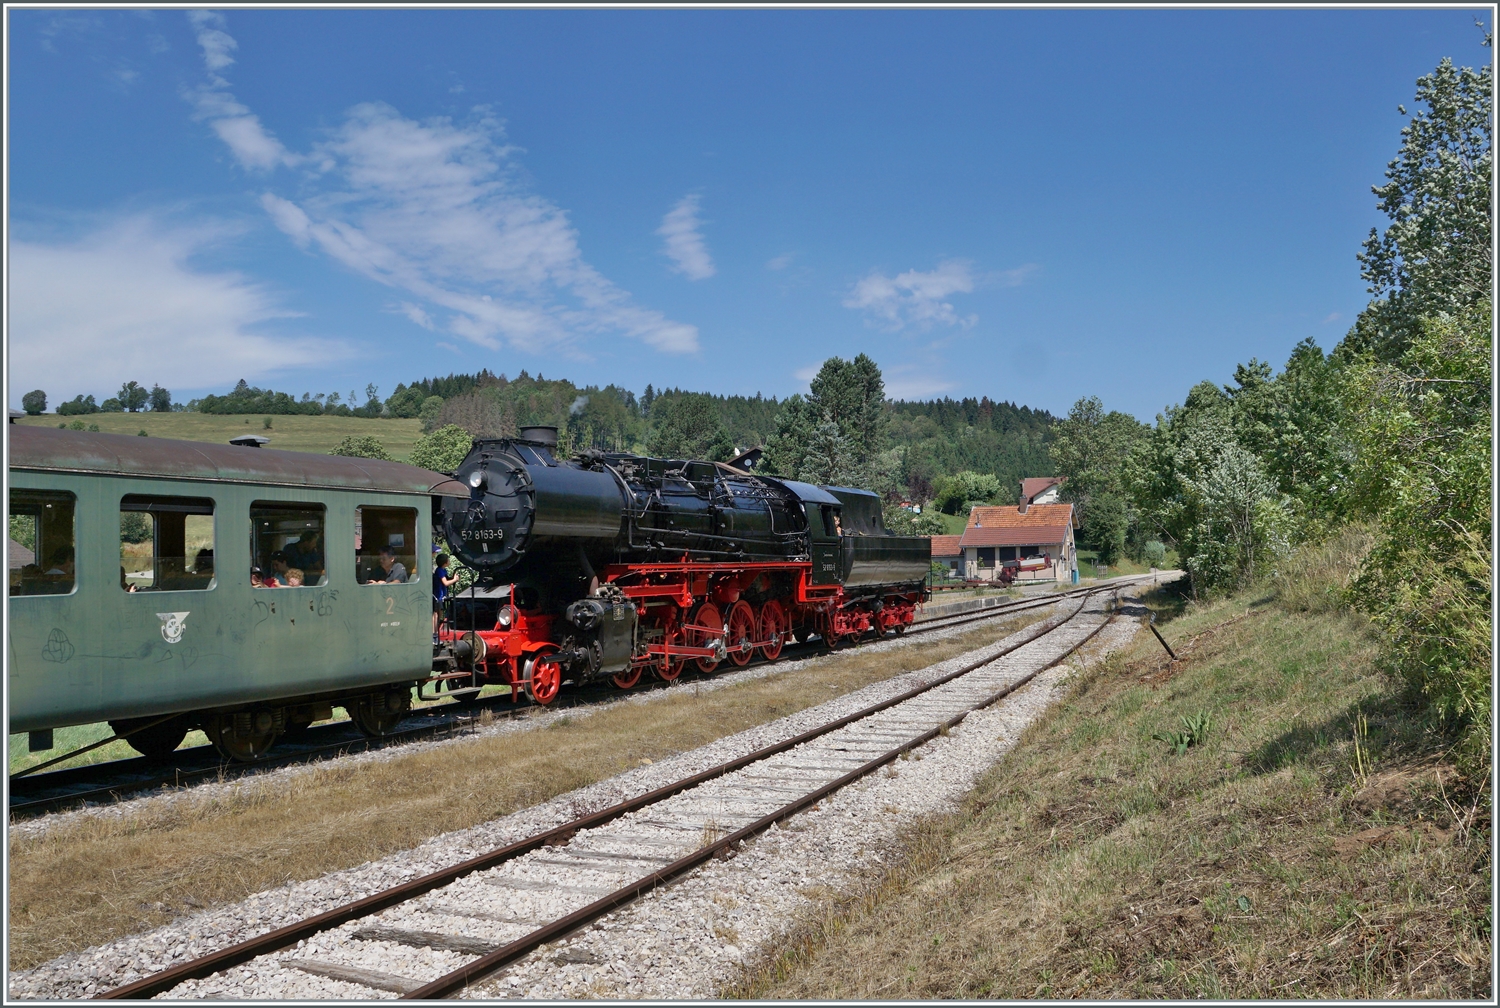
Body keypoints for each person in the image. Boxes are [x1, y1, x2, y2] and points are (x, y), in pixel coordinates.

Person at [432, 553, 457, 638]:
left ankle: (436, 631)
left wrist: (452, 578)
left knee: (440, 613)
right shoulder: (439, 571)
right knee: (436, 613)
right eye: (448, 560)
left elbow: (446, 579)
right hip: (438, 595)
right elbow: (445, 583)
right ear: (445, 562)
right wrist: (454, 580)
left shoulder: (443, 570)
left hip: (441, 595)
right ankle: (434, 632)